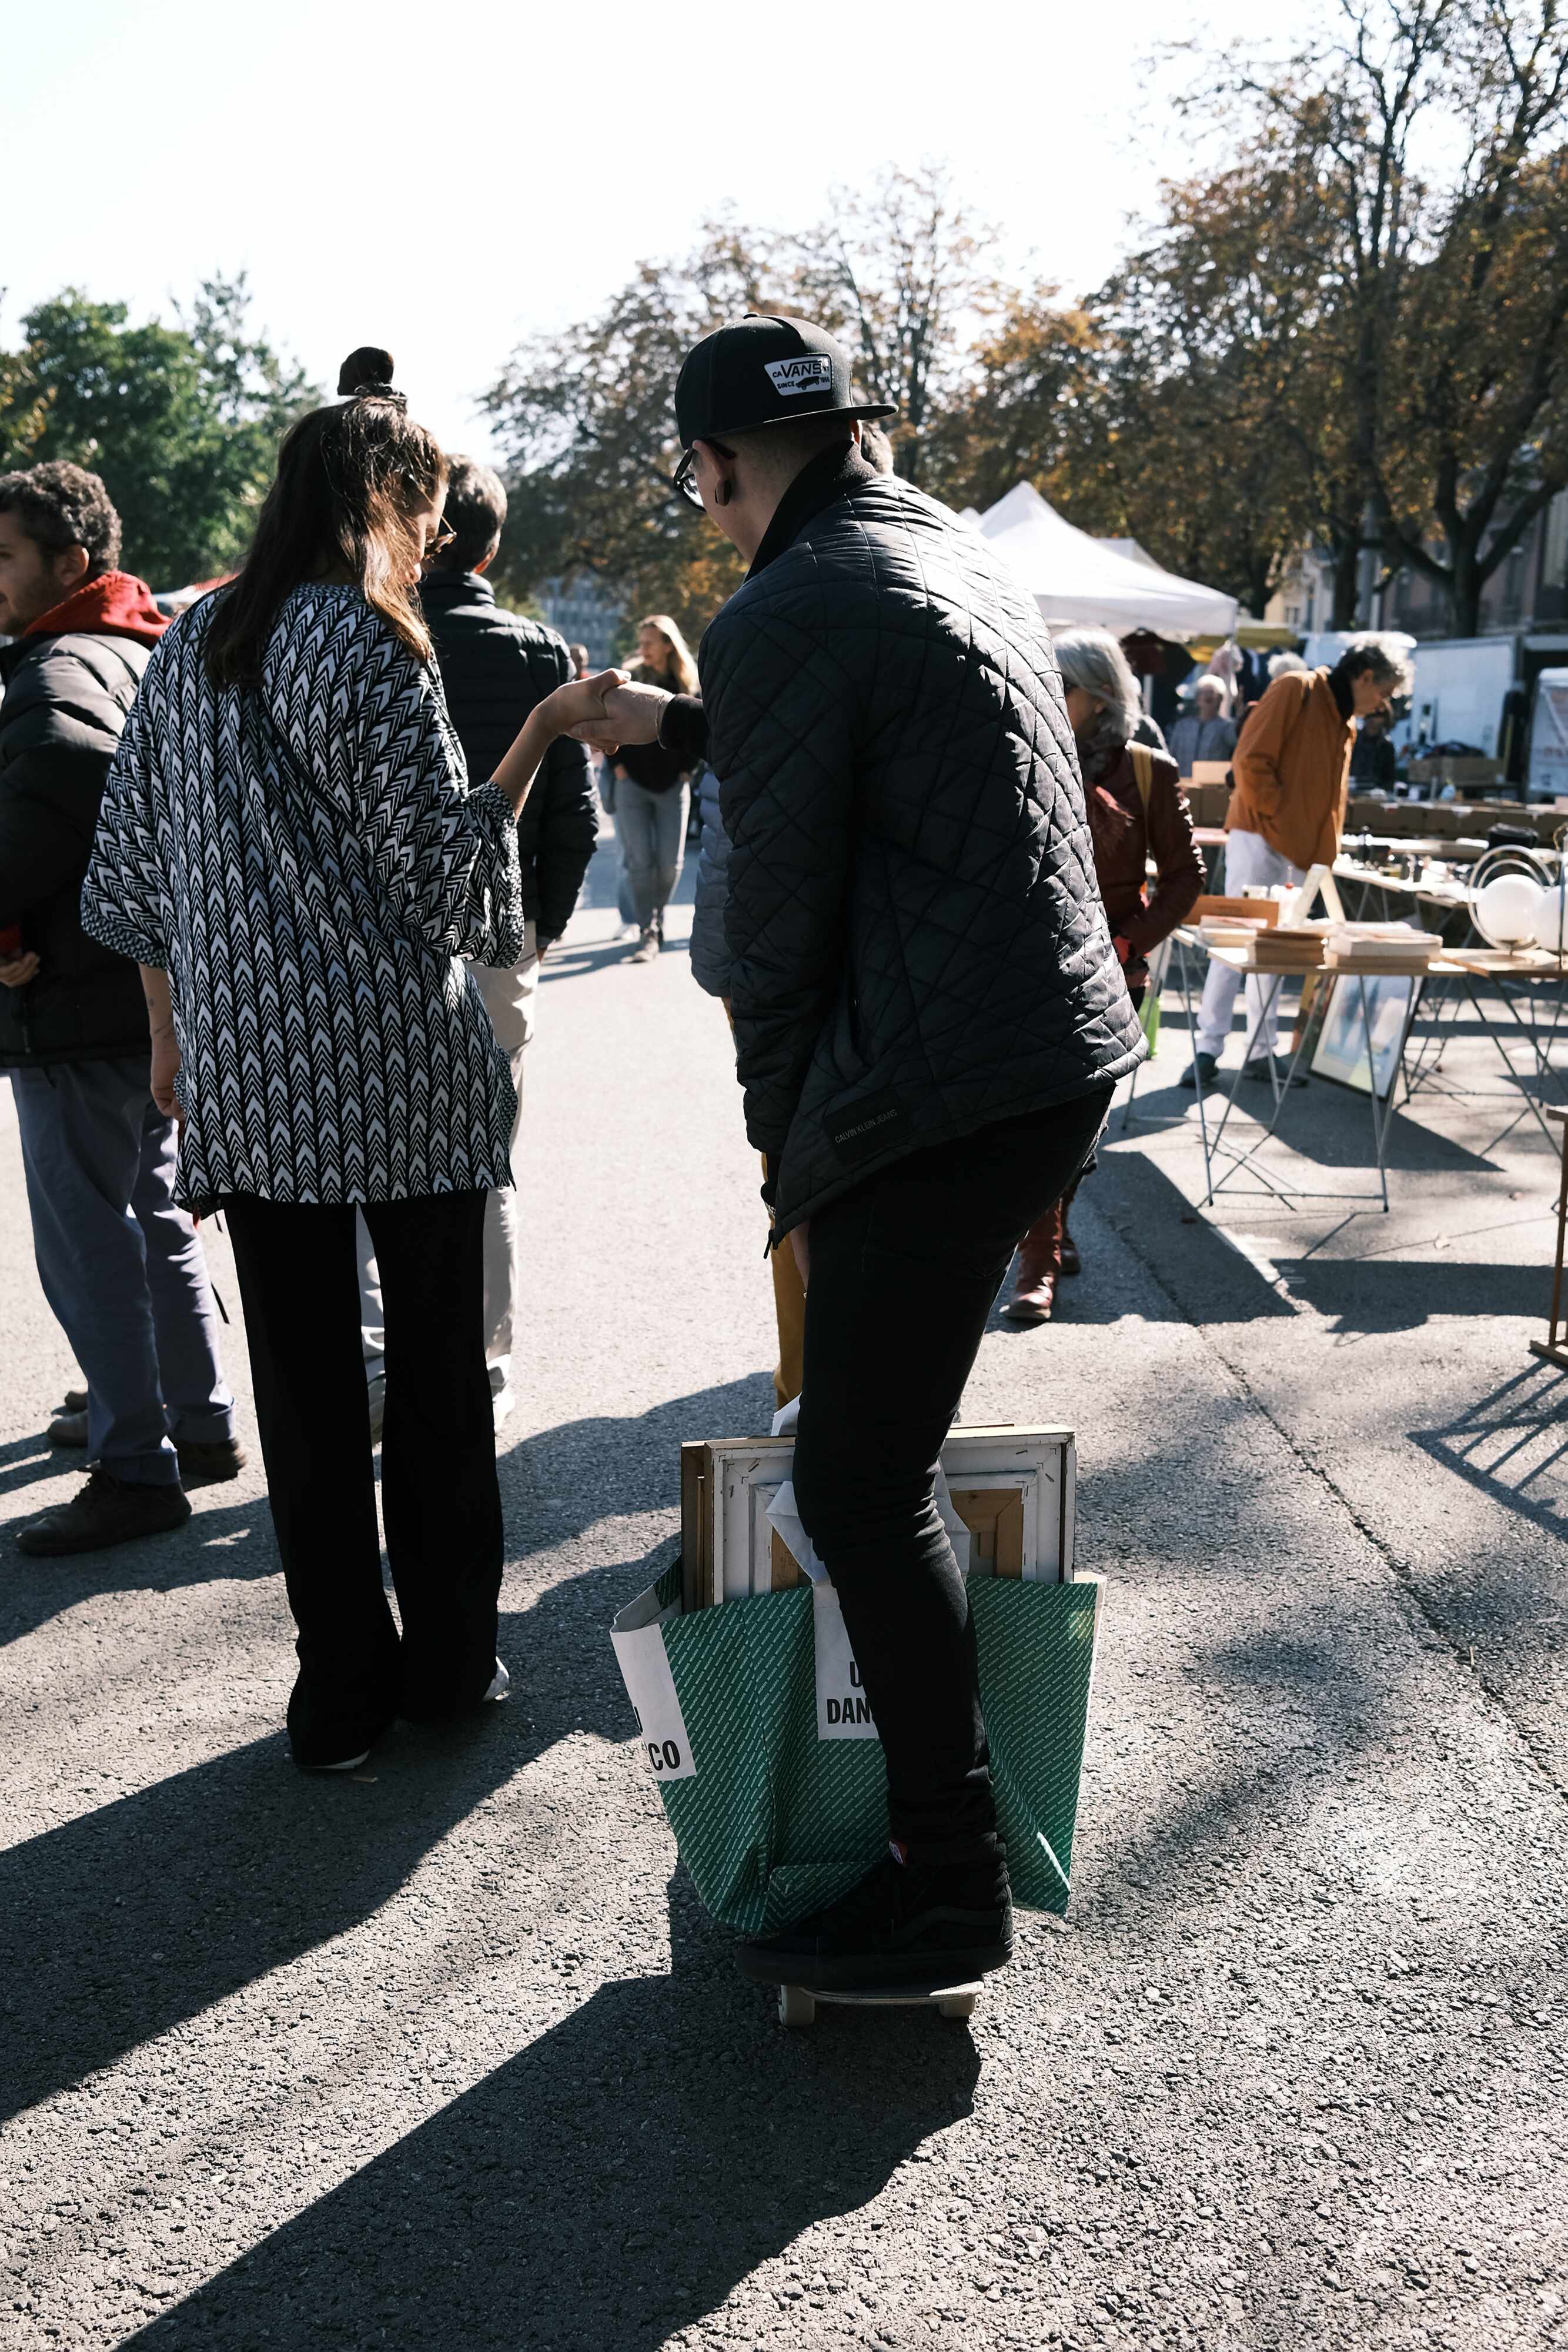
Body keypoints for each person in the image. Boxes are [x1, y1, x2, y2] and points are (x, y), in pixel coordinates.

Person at [581, 314, 1144, 1993]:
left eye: (707, 484)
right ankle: (939, 1850)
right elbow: (879, 751)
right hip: (1041, 1055)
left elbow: (777, 947)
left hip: (942, 1082)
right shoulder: (940, 550)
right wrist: (676, 730)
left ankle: (946, 1883)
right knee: (875, 1459)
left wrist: (790, 1173)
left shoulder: (792, 601)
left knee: (857, 1479)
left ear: (723, 463)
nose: (713, 513)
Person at [80, 348, 622, 1773]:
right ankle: (448, 1663)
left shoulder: (192, 644)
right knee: (435, 1384)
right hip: (397, 1070)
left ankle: (339, 1691)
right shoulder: (365, 643)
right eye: (428, 506)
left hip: (252, 1079)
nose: (438, 534)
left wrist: (168, 1038)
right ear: (385, 502)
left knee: (308, 1397)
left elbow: (130, 878)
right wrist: (545, 733)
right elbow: (453, 880)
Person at [0, 460, 241, 1558]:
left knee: (87, 1237)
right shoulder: (146, 643)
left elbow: (63, 773)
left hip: (78, 1001)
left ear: (69, 562)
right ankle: (197, 1427)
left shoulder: (60, 664)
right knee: (150, 1215)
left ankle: (136, 1464)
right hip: (140, 995)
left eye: (5, 558)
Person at [357, 455, 599, 1430]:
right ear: (492, 544)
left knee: (372, 1147)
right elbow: (572, 821)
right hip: (498, 926)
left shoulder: (371, 636)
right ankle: (481, 1355)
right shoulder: (539, 652)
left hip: (380, 929)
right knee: (482, 1151)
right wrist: (542, 929)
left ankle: (383, 1356)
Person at [1002, 629, 1202, 1324]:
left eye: (1062, 686)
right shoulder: (1026, 753)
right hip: (1028, 964)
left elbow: (1185, 878)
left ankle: (1050, 1236)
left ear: (1097, 697)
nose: (1047, 696)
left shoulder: (1149, 770)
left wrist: (1126, 941)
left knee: (1081, 1120)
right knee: (1036, 1112)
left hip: (1114, 971)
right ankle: (1039, 1258)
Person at [1182, 632, 1414, 1089]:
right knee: (1233, 945)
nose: (1379, 705)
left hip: (1293, 848)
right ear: (1364, 677)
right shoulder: (1296, 688)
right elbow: (1250, 761)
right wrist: (1282, 821)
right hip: (1261, 837)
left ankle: (1257, 1052)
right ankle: (1209, 1049)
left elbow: (1325, 797)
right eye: (1382, 692)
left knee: (1275, 952)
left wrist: (1316, 847)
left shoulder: (1339, 716)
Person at [610, 615, 697, 963]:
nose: (642, 649)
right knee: (640, 863)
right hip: (631, 783)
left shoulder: (687, 684)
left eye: (649, 643)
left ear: (667, 645)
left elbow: (701, 729)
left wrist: (687, 774)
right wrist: (617, 768)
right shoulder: (628, 679)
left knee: (669, 866)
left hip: (674, 785)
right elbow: (610, 722)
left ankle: (656, 918)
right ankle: (649, 928)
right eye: (641, 642)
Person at [1167, 676, 1238, 776]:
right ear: (1197, 698)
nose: (1207, 696)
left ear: (1220, 699)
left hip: (1211, 787)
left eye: (1212, 693)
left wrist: (1240, 720)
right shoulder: (1183, 726)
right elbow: (1172, 755)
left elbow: (1238, 742)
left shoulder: (1226, 727)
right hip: (1182, 783)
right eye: (1203, 693)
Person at [1350, 704, 1398, 790]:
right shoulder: (1354, 739)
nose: (1372, 725)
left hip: (1375, 792)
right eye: (1371, 721)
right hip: (1352, 787)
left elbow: (1389, 778)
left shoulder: (1386, 746)